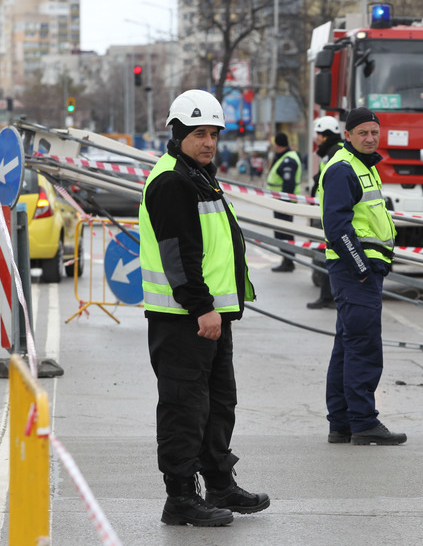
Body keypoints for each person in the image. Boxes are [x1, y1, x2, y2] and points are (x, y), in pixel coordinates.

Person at [139, 89, 269, 526]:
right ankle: (180, 500)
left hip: (210, 317)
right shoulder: (173, 181)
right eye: (199, 133)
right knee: (184, 409)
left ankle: (218, 483)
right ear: (177, 134)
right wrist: (200, 308)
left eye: (213, 133)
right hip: (185, 320)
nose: (209, 142)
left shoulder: (199, 175)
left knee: (217, 405)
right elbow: (179, 256)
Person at [316, 107, 406, 446]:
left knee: (347, 346)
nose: (370, 138)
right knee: (363, 348)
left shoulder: (361, 166)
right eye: (362, 133)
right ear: (348, 135)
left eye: (374, 132)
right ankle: (363, 422)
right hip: (356, 273)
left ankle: (341, 423)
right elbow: (337, 227)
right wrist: (362, 268)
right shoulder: (343, 169)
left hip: (361, 271)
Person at [307, 116, 343, 310]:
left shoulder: (334, 152)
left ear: (326, 134)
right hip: (326, 209)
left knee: (327, 253)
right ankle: (327, 294)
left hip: (330, 212)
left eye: (319, 135)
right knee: (326, 252)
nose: (317, 139)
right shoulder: (332, 151)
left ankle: (327, 296)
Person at [266, 133, 302, 271]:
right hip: (280, 201)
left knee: (284, 233)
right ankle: (287, 259)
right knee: (282, 232)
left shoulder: (288, 160)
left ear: (277, 144)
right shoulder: (284, 157)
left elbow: (288, 184)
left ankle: (288, 261)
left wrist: (284, 203)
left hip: (284, 202)